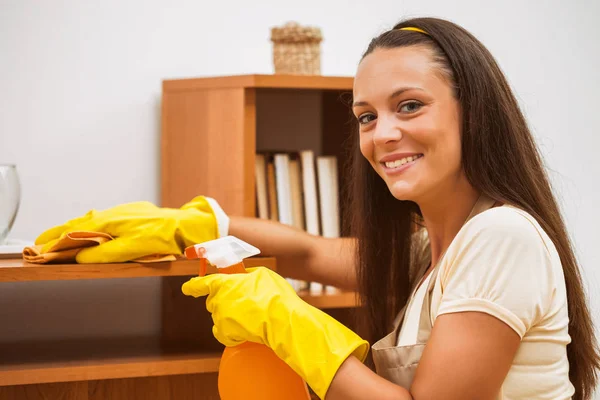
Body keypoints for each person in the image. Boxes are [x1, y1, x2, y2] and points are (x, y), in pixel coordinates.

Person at [37, 17, 599, 400]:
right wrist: (199, 225)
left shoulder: (501, 236)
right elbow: (309, 251)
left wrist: (298, 330)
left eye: (409, 106)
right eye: (367, 116)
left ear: (473, 112)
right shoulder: (436, 249)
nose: (384, 134)